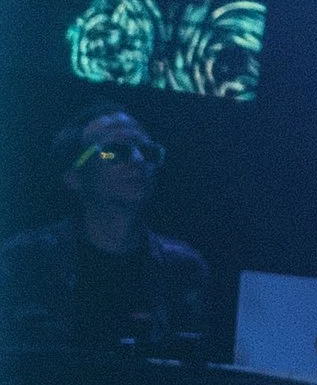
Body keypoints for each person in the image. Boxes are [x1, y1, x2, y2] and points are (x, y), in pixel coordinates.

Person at [0, 105, 210, 354]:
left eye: (148, 152)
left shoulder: (182, 268)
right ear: (74, 178)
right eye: (114, 152)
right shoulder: (27, 258)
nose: (138, 160)